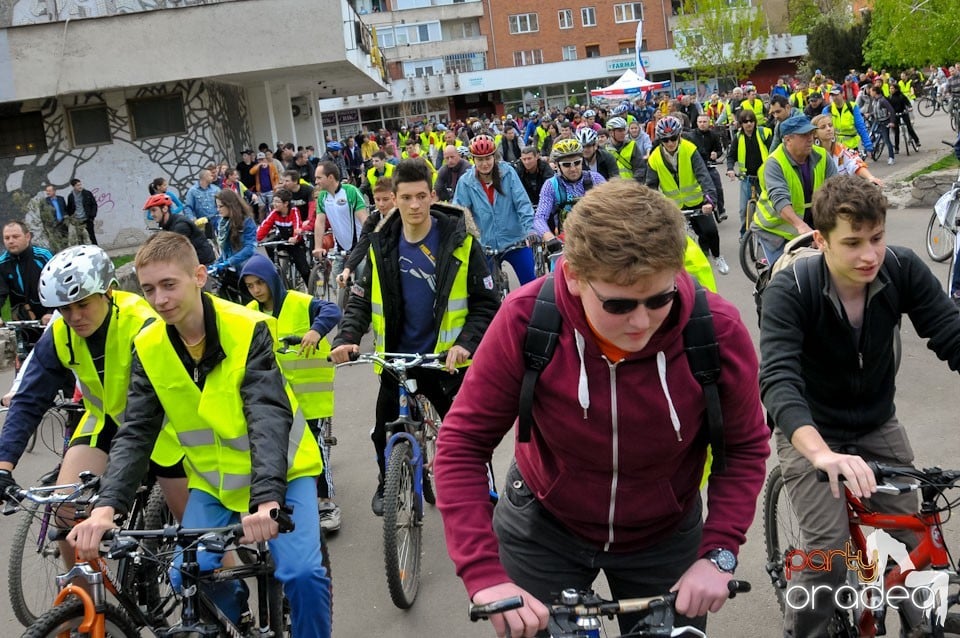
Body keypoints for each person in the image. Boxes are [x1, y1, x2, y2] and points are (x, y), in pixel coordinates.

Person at [434, 178, 770, 638]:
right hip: (544, 529)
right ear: (572, 276)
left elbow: (746, 445)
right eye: (618, 304)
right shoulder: (525, 319)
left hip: (664, 535)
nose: (641, 322)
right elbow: (461, 445)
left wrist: (720, 552)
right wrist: (484, 575)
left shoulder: (718, 331)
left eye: (659, 299)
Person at [66, 232, 331, 638]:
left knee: (302, 573)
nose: (159, 299)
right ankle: (235, 616)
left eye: (170, 285)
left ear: (199, 277)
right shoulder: (149, 344)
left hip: (284, 474)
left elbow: (267, 417)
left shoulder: (247, 328)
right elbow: (136, 432)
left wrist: (266, 500)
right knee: (186, 576)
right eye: (149, 289)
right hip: (213, 482)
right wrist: (106, 507)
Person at [758, 175, 960, 638]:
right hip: (811, 430)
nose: (869, 255)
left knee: (915, 537)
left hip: (874, 420)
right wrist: (821, 453)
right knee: (827, 556)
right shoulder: (791, 290)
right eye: (852, 242)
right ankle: (802, 631)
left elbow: (951, 335)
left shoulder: (900, 269)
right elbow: (779, 381)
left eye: (876, 238)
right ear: (820, 239)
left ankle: (918, 626)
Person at [329, 158, 499, 516]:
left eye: (422, 196)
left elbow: (486, 303)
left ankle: (477, 488)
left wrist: (464, 344)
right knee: (382, 433)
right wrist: (346, 337)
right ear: (394, 198)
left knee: (463, 438)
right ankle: (387, 482)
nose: (415, 205)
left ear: (433, 195)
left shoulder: (461, 243)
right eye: (406, 198)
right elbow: (360, 301)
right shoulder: (381, 246)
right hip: (397, 361)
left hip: (445, 363)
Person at [0, 245, 188, 561]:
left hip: (163, 428)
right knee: (64, 510)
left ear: (108, 293)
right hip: (104, 421)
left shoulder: (141, 322)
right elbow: (30, 398)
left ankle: (227, 603)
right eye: (64, 309)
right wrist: (4, 464)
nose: (74, 317)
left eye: (82, 305)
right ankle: (86, 607)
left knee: (196, 534)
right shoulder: (60, 331)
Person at [240, 253, 343, 532]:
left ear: (272, 279)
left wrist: (316, 330)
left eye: (259, 283)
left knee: (317, 448)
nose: (256, 290)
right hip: (277, 398)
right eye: (250, 285)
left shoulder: (300, 302)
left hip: (310, 397)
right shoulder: (250, 311)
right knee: (279, 448)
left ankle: (326, 504)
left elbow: (333, 311)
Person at [646, 116, 728, 275]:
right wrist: (654, 206)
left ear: (679, 135)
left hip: (697, 202)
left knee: (710, 230)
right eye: (665, 139)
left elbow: (704, 176)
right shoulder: (654, 158)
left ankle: (718, 257)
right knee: (671, 239)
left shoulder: (690, 150)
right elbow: (651, 186)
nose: (670, 143)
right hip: (674, 206)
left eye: (673, 138)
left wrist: (709, 200)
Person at [751, 115, 837, 265]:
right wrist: (800, 226)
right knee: (783, 275)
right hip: (776, 230)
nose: (810, 138)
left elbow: (836, 190)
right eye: (804, 135)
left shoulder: (822, 156)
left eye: (811, 133)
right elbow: (779, 198)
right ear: (787, 139)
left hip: (809, 226)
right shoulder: (775, 163)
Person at [452, 134, 537, 286]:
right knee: (485, 293)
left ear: (494, 157)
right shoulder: (465, 182)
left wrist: (530, 229)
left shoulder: (508, 173)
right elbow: (460, 214)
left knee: (531, 284)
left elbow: (522, 203)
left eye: (488, 158)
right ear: (473, 160)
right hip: (485, 245)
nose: (484, 163)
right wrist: (464, 240)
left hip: (514, 240)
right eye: (480, 159)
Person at [534, 138, 606, 251]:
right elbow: (540, 218)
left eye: (577, 163)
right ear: (557, 165)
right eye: (567, 165)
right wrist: (549, 237)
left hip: (596, 238)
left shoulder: (596, 179)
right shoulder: (551, 185)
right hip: (566, 242)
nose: (573, 169)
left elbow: (612, 208)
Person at [340, 178, 396, 288]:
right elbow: (362, 245)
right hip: (381, 269)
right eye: (377, 199)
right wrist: (347, 270)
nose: (381, 204)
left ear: (394, 198)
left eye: (385, 199)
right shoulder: (373, 219)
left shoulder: (403, 217)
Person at [725, 110, 773, 238]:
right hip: (746, 177)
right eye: (745, 121)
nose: (749, 124)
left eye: (751, 121)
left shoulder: (764, 133)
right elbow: (731, 156)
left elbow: (774, 153)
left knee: (770, 206)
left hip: (764, 177)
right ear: (741, 124)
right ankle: (744, 235)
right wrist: (730, 169)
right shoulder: (738, 137)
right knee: (743, 210)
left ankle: (770, 232)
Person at [309, 161, 368, 258]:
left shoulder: (350, 191)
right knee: (334, 273)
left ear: (330, 177)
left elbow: (364, 220)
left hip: (359, 249)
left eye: (319, 178)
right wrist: (318, 247)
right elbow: (319, 222)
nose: (316, 182)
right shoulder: (322, 197)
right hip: (339, 251)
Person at [0, 221, 54, 325]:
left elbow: (58, 287)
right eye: (7, 238)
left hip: (48, 314)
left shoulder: (44, 256)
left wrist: (52, 312)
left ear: (28, 237)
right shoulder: (2, 263)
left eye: (15, 237)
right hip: (21, 318)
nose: (11, 241)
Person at [211, 189, 258, 304]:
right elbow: (225, 250)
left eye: (221, 206)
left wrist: (228, 262)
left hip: (246, 270)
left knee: (250, 304)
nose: (218, 209)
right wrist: (217, 263)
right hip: (230, 271)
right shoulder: (222, 223)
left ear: (230, 205)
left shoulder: (247, 221)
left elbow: (249, 249)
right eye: (217, 206)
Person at [143, 194, 216, 265]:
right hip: (191, 263)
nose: (152, 214)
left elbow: (172, 250)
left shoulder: (180, 226)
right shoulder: (167, 225)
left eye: (154, 210)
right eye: (150, 211)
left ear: (164, 209)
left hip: (202, 264)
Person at [810, 115, 883, 185]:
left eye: (830, 125)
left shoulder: (840, 149)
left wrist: (870, 177)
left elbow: (855, 163)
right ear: (815, 134)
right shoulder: (811, 153)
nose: (828, 129)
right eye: (823, 127)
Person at [688, 113, 727, 223]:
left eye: (704, 122)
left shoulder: (714, 135)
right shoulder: (691, 136)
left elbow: (720, 150)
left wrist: (716, 154)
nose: (702, 124)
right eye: (700, 122)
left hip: (709, 166)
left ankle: (721, 210)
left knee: (717, 187)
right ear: (697, 123)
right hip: (696, 168)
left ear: (709, 123)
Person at [822, 88, 873, 156]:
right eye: (832, 95)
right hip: (834, 147)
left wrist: (868, 145)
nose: (835, 97)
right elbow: (822, 129)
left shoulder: (852, 107)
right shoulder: (827, 110)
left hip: (851, 147)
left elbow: (860, 127)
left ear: (842, 94)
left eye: (837, 94)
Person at [513, 145, 554, 210]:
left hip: (545, 202)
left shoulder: (545, 168)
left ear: (536, 157)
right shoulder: (519, 170)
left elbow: (551, 186)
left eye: (529, 158)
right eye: (524, 159)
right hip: (526, 204)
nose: (527, 162)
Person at [183, 168, 222, 238]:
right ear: (204, 177)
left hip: (216, 221)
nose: (212, 177)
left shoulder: (216, 189)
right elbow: (188, 207)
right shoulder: (192, 191)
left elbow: (224, 203)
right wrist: (192, 219)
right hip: (202, 223)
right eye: (210, 175)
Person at [887, 83, 921, 154]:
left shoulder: (901, 96)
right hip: (895, 115)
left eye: (892, 88)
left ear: (896, 89)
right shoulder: (890, 97)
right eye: (890, 88)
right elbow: (888, 106)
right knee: (896, 132)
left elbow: (907, 102)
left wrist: (909, 107)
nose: (891, 90)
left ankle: (916, 140)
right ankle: (896, 148)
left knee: (909, 127)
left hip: (903, 112)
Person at [65, 178, 98, 245]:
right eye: (78, 185)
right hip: (77, 221)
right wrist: (72, 219)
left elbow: (94, 205)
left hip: (87, 219)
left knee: (91, 236)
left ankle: (96, 250)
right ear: (73, 186)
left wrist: (92, 216)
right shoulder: (71, 196)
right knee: (80, 239)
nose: (80, 186)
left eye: (80, 184)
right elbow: (69, 208)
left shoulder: (87, 193)